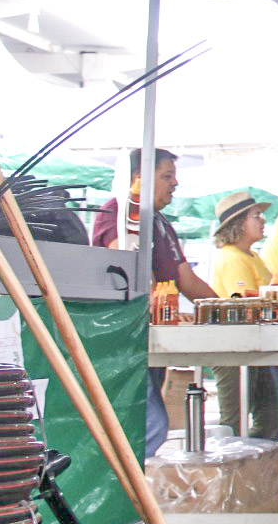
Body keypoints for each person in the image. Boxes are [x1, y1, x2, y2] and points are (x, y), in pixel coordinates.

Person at [92, 147, 215, 456]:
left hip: (152, 337)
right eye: (166, 176)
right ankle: (131, 483)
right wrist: (156, 307)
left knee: (146, 422)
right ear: (140, 178)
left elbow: (187, 280)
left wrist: (227, 308)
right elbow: (126, 266)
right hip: (124, 339)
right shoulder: (119, 213)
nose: (175, 183)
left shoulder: (160, 222)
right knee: (150, 424)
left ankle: (137, 480)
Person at [207, 191, 278, 439]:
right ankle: (233, 459)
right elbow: (245, 303)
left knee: (271, 415)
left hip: (252, 345)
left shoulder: (252, 256)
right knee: (234, 419)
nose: (262, 220)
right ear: (239, 223)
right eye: (256, 216)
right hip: (232, 346)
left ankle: (253, 456)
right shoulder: (232, 259)